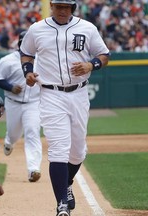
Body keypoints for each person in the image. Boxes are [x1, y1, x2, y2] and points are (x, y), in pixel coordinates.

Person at [20, 1, 110, 215]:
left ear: (73, 8)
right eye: (58, 6)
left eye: (66, 7)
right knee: (58, 149)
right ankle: (61, 203)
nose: (62, 10)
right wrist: (28, 72)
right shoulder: (37, 29)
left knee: (78, 152)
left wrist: (91, 64)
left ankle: (67, 183)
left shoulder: (87, 28)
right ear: (51, 6)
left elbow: (104, 55)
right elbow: (26, 53)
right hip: (51, 94)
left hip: (79, 93)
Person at [0, 31, 42, 182]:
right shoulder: (8, 60)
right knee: (14, 133)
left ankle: (33, 169)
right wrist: (10, 87)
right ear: (20, 43)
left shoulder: (42, 60)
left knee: (32, 132)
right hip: (13, 103)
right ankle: (9, 141)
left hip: (34, 103)